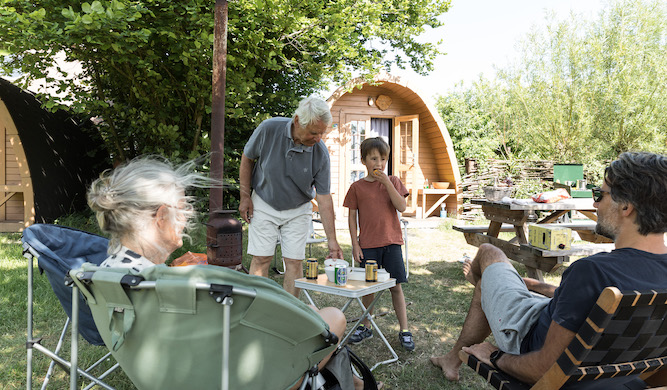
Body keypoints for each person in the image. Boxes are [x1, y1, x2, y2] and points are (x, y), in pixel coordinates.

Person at [87, 156, 368, 389]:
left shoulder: (107, 277)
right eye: (183, 207)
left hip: (175, 375)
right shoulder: (180, 286)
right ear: (161, 217)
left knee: (313, 321)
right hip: (236, 378)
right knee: (333, 318)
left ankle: (353, 383)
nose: (188, 217)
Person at [430, 152, 667, 388]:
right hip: (604, 364)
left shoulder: (591, 272)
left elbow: (544, 369)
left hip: (528, 333)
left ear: (626, 206)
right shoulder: (634, 276)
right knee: (493, 282)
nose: (595, 203)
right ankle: (488, 295)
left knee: (489, 253)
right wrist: (537, 285)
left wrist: (494, 355)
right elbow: (596, 305)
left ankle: (478, 290)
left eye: (600, 194)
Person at [239, 96, 343, 297]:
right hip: (264, 200)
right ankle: (256, 311)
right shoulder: (269, 129)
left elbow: (323, 197)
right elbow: (247, 158)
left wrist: (332, 241)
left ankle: (289, 316)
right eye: (314, 132)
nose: (318, 138)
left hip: (298, 208)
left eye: (322, 132)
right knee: (261, 259)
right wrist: (245, 196)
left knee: (294, 262)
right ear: (297, 121)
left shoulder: (320, 153)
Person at [343, 137, 415, 351]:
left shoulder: (393, 181)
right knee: (369, 287)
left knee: (396, 287)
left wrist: (386, 183)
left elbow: (401, 206)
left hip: (391, 243)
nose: (379, 163)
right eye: (374, 158)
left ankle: (404, 329)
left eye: (383, 158)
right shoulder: (356, 187)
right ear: (364, 160)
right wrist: (355, 244)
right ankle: (366, 326)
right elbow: (351, 218)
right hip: (368, 245)